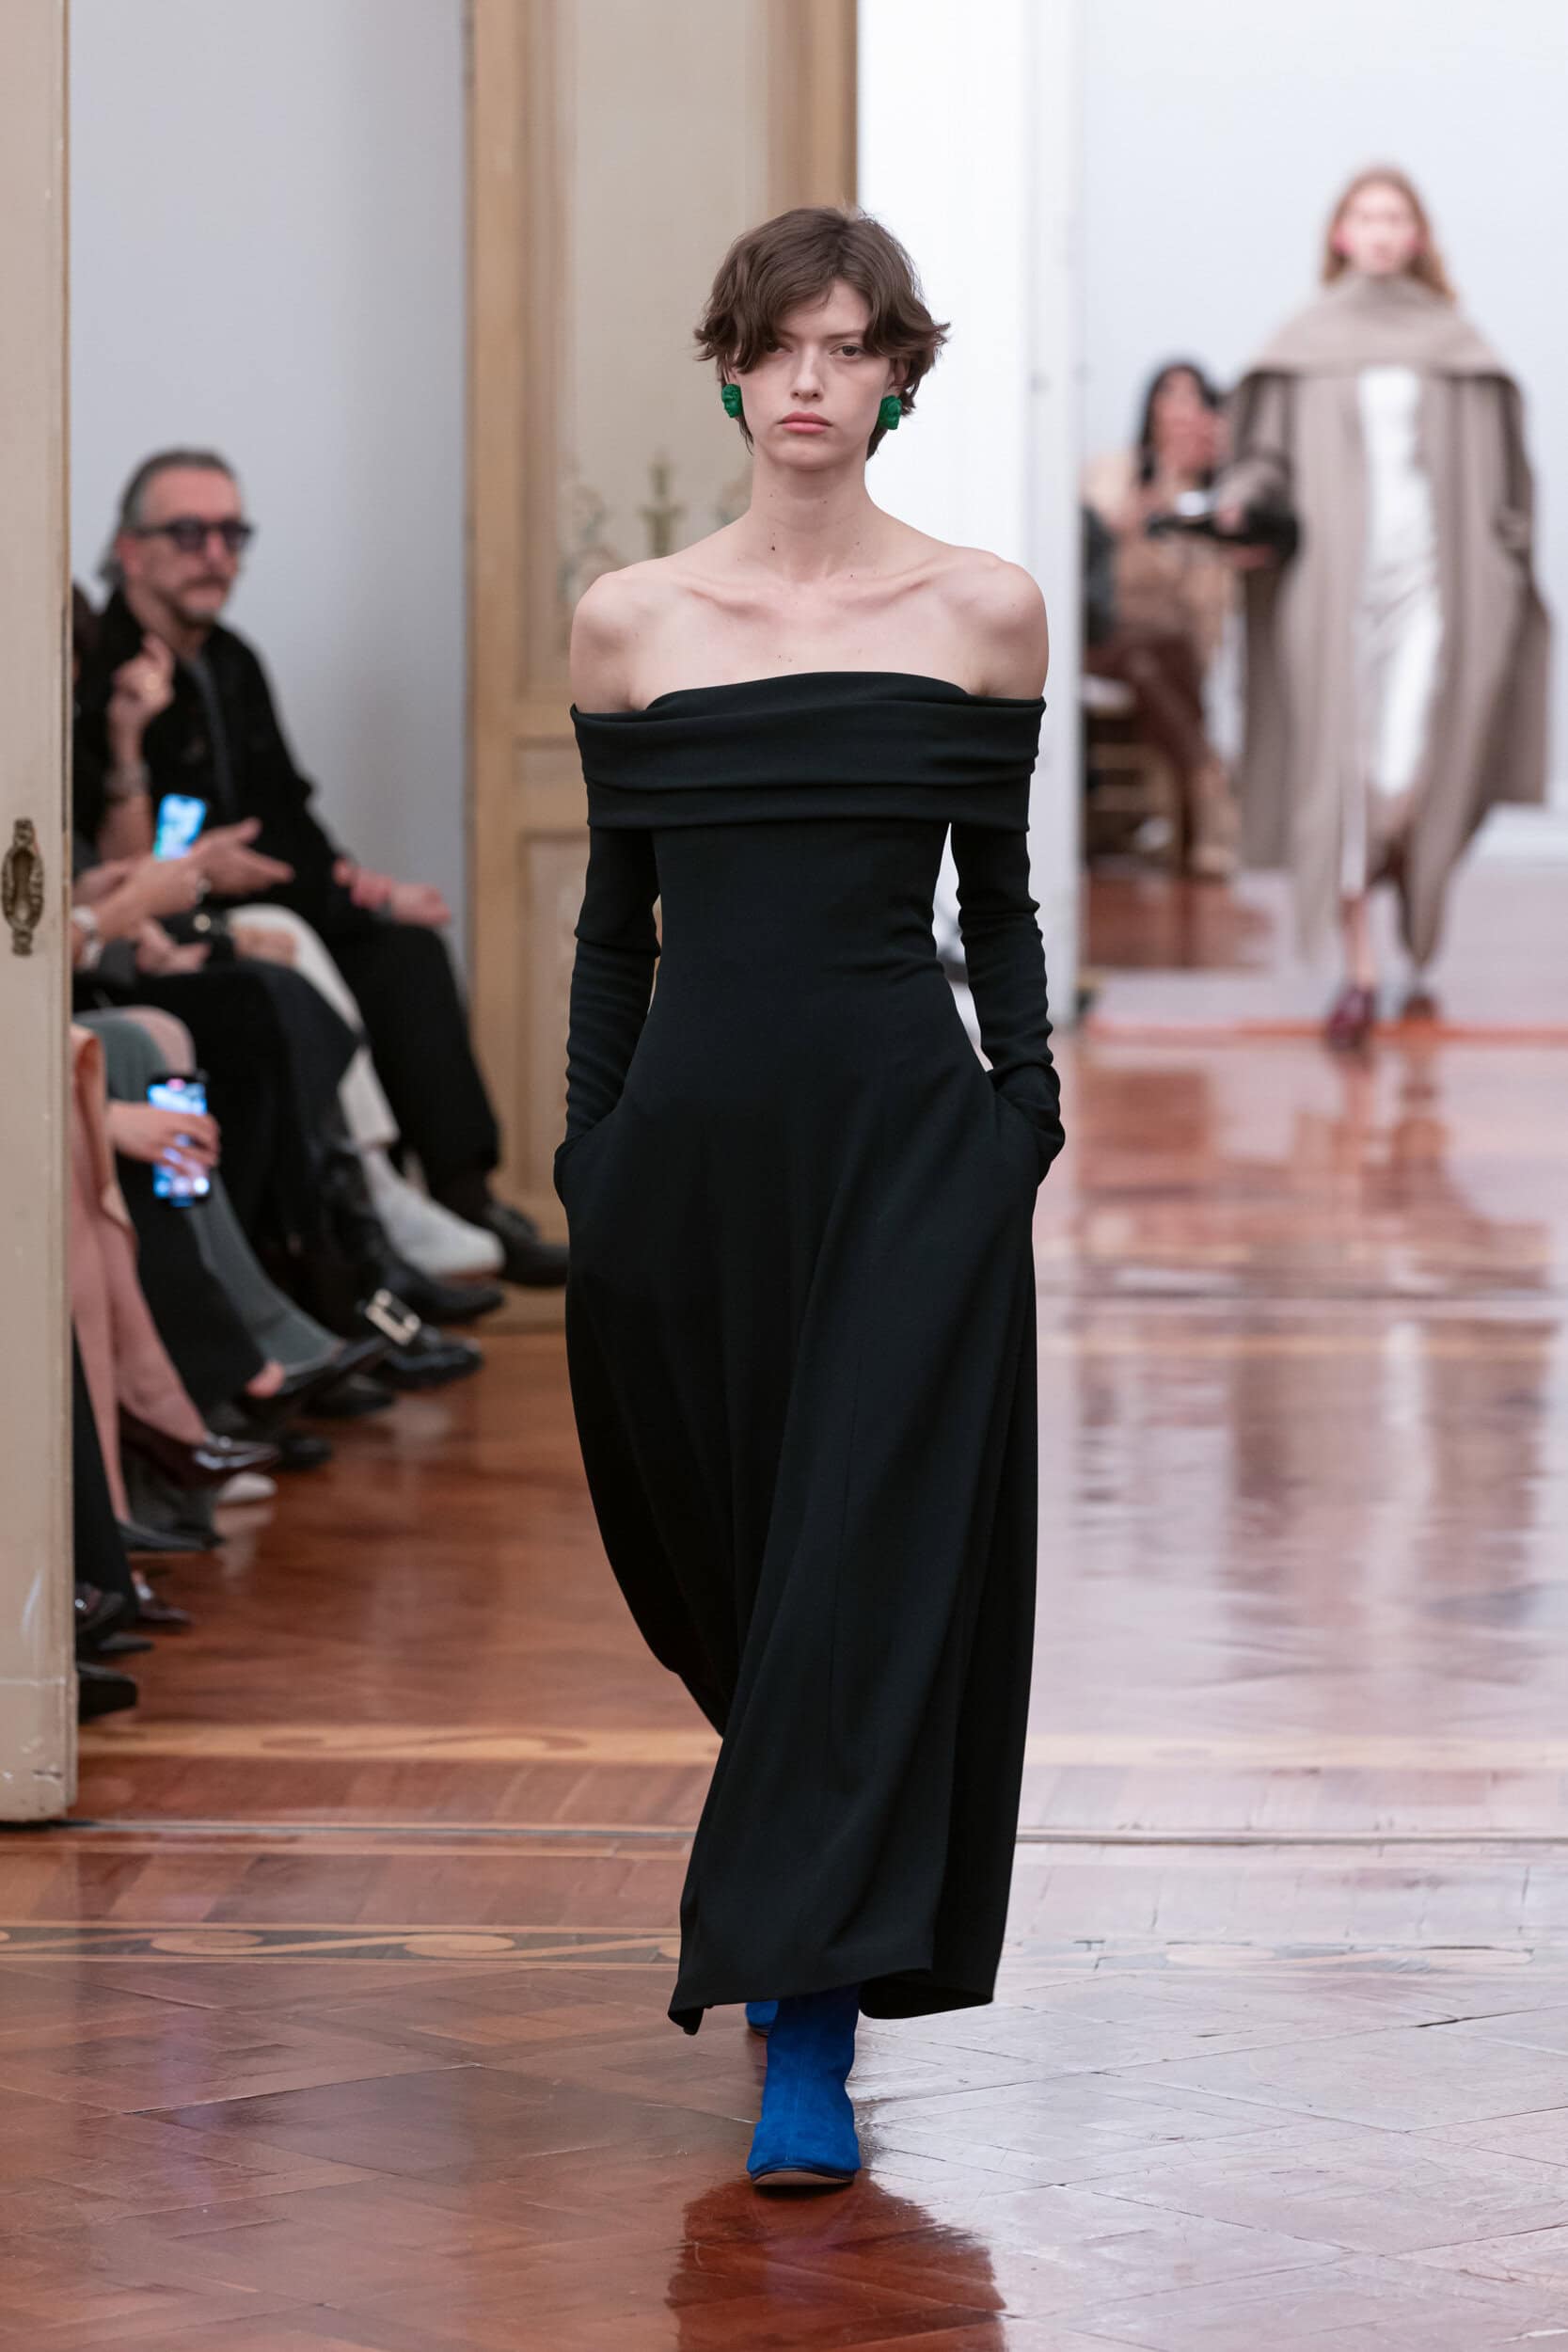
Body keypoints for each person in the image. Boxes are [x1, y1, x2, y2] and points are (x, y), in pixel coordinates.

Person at [557, 206, 1062, 2189]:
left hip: (905, 1153)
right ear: (729, 369)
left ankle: (808, 2026)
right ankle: (809, 1908)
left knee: (865, 1567)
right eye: (777, 345)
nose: (807, 379)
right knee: (733, 1567)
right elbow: (613, 927)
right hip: (687, 1158)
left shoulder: (980, 611)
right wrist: (593, 1152)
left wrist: (1020, 1123)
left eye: (847, 347)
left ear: (894, 379)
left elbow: (995, 903)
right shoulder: (632, 620)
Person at [73, 453, 566, 1285]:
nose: (215, 555)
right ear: (130, 550)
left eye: (231, 534)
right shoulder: (98, 663)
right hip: (157, 916)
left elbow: (287, 815)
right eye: (189, 534)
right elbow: (109, 855)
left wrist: (356, 888)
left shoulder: (231, 660)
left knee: (403, 948)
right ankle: (359, 1213)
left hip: (252, 895)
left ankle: (463, 1196)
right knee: (283, 952)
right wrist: (198, 867)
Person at [1213, 167, 1550, 1048]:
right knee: (1343, 774)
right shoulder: (1304, 343)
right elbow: (1263, 461)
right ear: (1339, 234)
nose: (1378, 228)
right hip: (1327, 596)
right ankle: (1359, 969)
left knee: (1408, 770)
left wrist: (1502, 562)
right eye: (1363, 215)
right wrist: (1238, 502)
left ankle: (1405, 869)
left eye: (1394, 215)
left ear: (1416, 236)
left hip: (1438, 586)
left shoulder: (1456, 345)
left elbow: (1509, 483)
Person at [1082, 360, 1239, 877]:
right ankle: (1207, 784)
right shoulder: (1118, 469)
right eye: (1170, 394)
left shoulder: (1211, 493)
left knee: (1158, 657)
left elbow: (1207, 588)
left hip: (1173, 646)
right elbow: (1098, 524)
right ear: (1151, 406)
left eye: (1194, 397)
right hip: (1106, 634)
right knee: (1149, 656)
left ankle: (1179, 817)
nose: (1181, 409)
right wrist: (1162, 479)